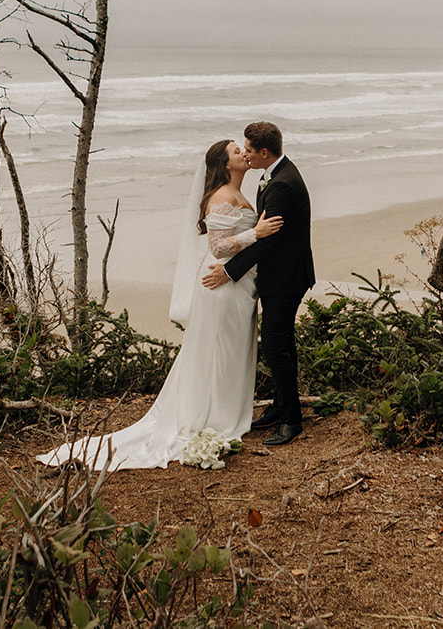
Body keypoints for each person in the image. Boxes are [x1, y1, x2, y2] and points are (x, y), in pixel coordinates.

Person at [36, 139, 281, 471]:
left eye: (243, 149)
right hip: (221, 285)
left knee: (233, 352)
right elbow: (219, 247)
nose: (243, 153)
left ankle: (226, 414)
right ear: (225, 165)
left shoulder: (236, 193)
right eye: (236, 151)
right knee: (219, 354)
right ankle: (214, 418)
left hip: (238, 286)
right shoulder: (222, 196)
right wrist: (258, 233)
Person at [203, 121, 314, 446]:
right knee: (283, 344)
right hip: (283, 274)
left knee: (275, 346)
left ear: (264, 152)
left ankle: (292, 421)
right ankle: (281, 408)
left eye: (248, 149)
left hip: (285, 277)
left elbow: (269, 241)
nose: (246, 154)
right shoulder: (275, 175)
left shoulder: (281, 184)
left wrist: (228, 272)